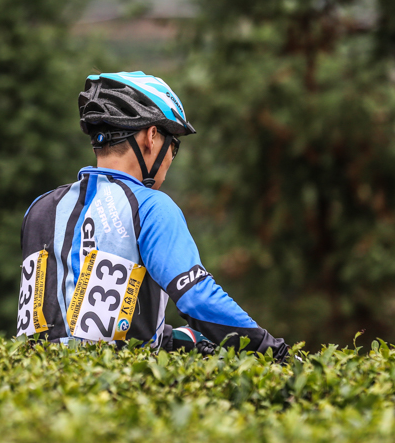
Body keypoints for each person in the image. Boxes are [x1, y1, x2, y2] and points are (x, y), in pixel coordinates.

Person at [17, 71, 289, 360]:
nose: (171, 157)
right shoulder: (150, 207)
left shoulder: (39, 208)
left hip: (35, 385)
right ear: (152, 136)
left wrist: (172, 338)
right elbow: (198, 300)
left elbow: (69, 324)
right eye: (175, 145)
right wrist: (272, 350)